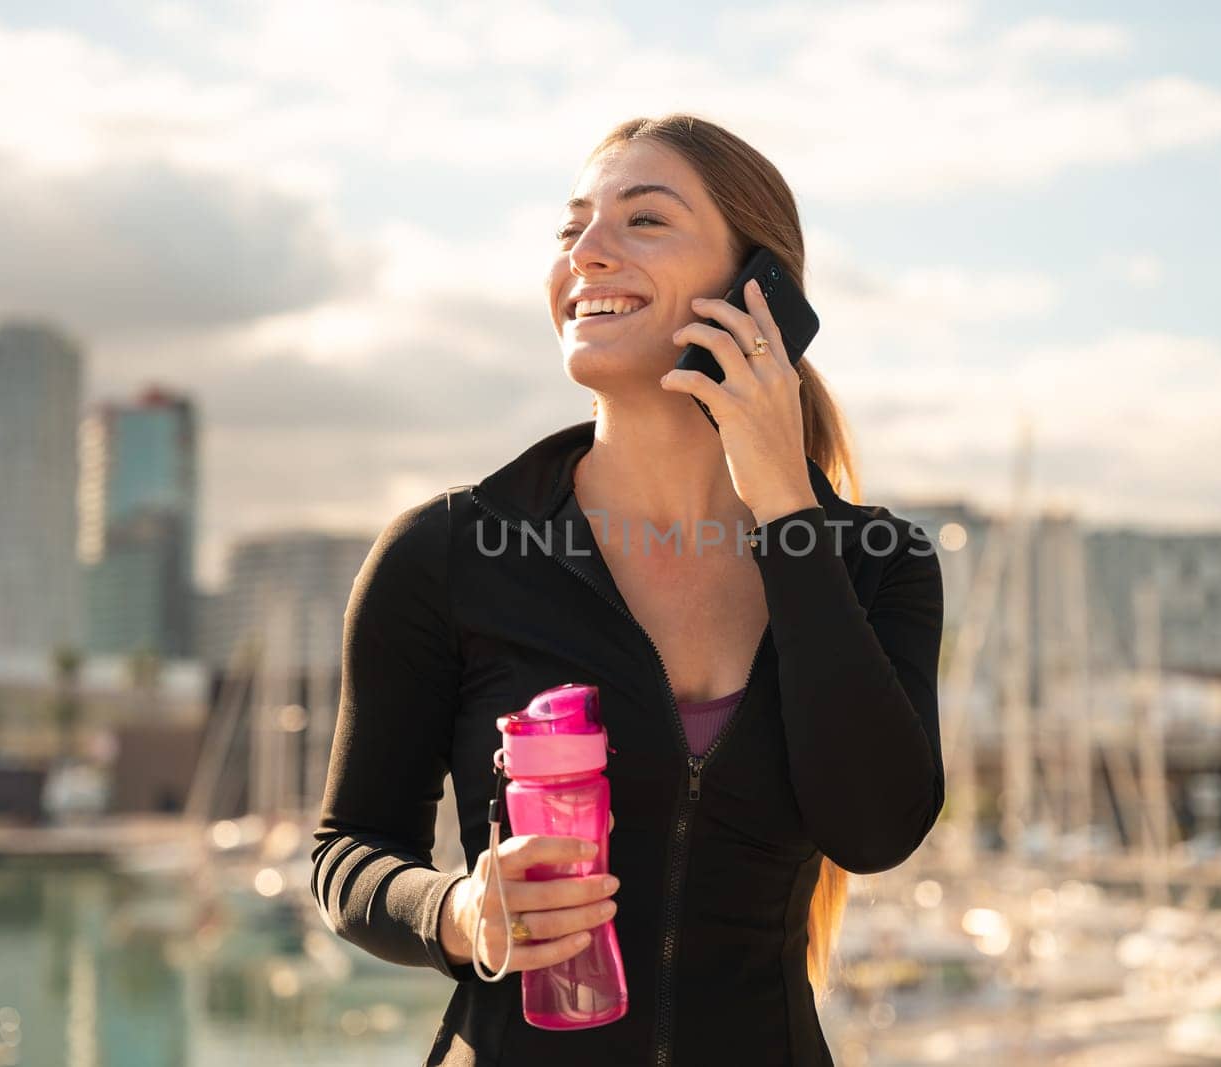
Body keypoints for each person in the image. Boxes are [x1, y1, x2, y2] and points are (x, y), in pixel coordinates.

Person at [310, 112, 946, 1067]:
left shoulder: (876, 563)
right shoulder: (447, 553)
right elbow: (349, 849)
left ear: (757, 290)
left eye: (643, 221)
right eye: (572, 229)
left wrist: (786, 512)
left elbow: (876, 825)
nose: (588, 255)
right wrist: (459, 910)